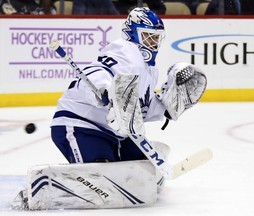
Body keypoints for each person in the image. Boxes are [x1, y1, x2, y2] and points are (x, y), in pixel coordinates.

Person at [50, 7, 206, 164]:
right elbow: (97, 71)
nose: (153, 43)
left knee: (141, 166)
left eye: (156, 38)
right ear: (132, 33)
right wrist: (105, 89)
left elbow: (139, 107)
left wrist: (165, 108)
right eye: (148, 37)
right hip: (81, 126)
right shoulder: (125, 51)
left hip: (116, 134)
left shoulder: (150, 70)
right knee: (101, 172)